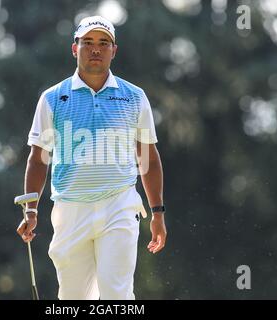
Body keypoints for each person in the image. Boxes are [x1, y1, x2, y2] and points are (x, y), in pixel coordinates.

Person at [17, 15, 167, 300]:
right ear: (75, 48)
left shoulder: (134, 97)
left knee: (117, 294)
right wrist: (31, 210)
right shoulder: (52, 98)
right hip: (70, 209)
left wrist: (157, 212)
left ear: (114, 50)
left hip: (119, 204)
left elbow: (148, 156)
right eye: (88, 42)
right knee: (73, 297)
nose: (95, 49)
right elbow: (38, 158)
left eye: (103, 43)